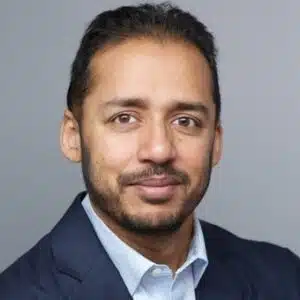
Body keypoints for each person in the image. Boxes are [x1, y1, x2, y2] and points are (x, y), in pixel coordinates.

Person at [0, 2, 299, 299]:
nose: (159, 150)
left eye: (185, 121)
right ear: (73, 137)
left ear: (216, 141)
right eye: (125, 118)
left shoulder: (285, 278)